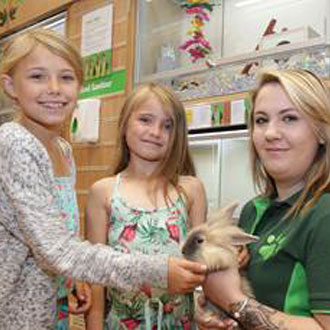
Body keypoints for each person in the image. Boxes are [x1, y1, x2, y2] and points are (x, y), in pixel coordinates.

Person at [0, 29, 207, 330]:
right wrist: (158, 271)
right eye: (37, 76)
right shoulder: (15, 143)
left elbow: (54, 239)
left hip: (49, 312)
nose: (54, 88)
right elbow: (59, 250)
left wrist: (70, 280)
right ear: (10, 86)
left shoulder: (62, 149)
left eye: (66, 78)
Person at [198, 69, 330, 330]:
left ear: (321, 132)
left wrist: (233, 301)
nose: (270, 133)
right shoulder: (253, 210)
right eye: (261, 120)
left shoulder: (324, 214)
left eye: (289, 118)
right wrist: (218, 316)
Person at [85, 82, 208, 329]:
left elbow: (204, 267)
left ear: (178, 135)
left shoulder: (191, 189)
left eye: (167, 125)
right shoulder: (104, 191)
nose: (155, 132)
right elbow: (95, 278)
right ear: (124, 124)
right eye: (145, 120)